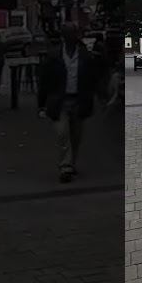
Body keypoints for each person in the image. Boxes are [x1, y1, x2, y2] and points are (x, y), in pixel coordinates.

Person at [37, 23, 100, 183]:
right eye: (68, 33)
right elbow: (44, 81)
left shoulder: (85, 55)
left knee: (76, 136)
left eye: (73, 33)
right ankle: (65, 166)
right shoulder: (54, 56)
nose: (71, 36)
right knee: (62, 133)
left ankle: (71, 162)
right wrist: (41, 104)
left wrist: (96, 97)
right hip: (60, 101)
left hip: (79, 100)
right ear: (63, 36)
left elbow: (92, 79)